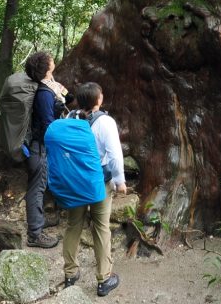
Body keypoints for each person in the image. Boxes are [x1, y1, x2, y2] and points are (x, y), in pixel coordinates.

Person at [62, 81, 127, 297]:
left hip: (74, 181)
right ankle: (104, 279)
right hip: (97, 181)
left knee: (73, 226)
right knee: (101, 228)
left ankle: (70, 275)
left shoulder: (69, 118)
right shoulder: (105, 122)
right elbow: (115, 155)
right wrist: (120, 181)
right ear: (98, 100)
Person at [24, 50, 66, 248]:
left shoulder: (48, 89)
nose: (52, 59)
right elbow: (48, 124)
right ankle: (35, 235)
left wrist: (59, 102)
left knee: (39, 187)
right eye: (50, 59)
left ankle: (39, 222)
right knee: (36, 189)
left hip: (39, 146)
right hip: (39, 148)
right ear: (46, 67)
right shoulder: (43, 93)